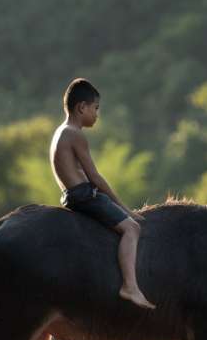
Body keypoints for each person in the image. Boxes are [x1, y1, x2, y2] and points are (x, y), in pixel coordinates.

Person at [50, 78, 155, 310]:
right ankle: (130, 286)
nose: (97, 115)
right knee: (132, 228)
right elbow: (95, 176)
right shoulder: (75, 134)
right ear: (82, 108)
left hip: (71, 194)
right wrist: (124, 209)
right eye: (95, 108)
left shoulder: (60, 132)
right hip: (84, 194)